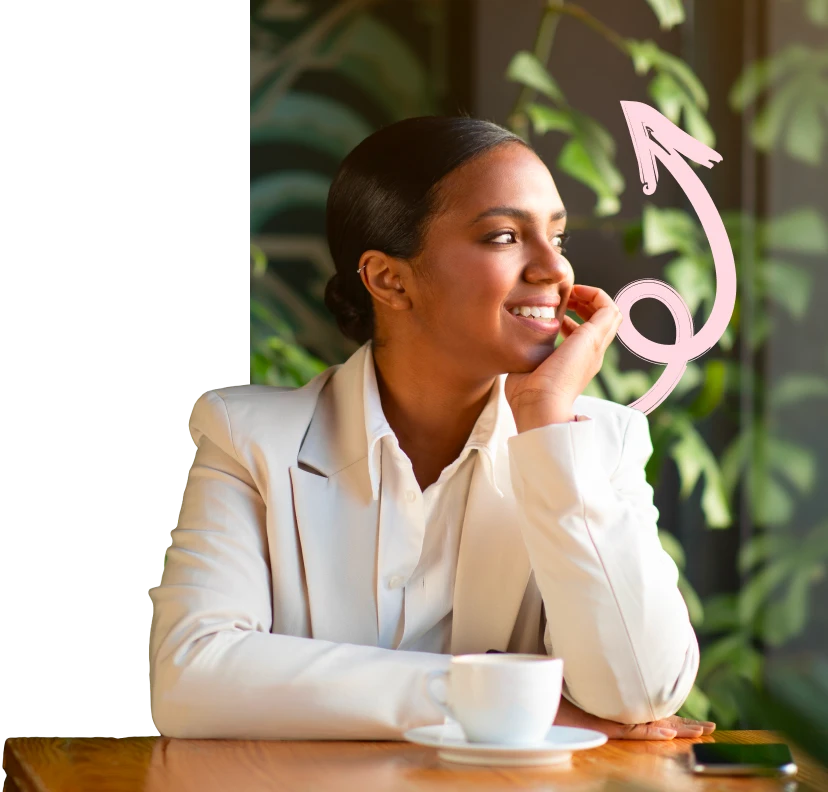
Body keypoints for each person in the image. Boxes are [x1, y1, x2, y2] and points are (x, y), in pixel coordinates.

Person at [149, 115, 715, 741]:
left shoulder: (597, 444)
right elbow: (189, 678)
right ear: (389, 278)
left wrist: (548, 424)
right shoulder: (248, 439)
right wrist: (498, 697)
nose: (554, 270)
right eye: (504, 236)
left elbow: (640, 693)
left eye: (558, 236)